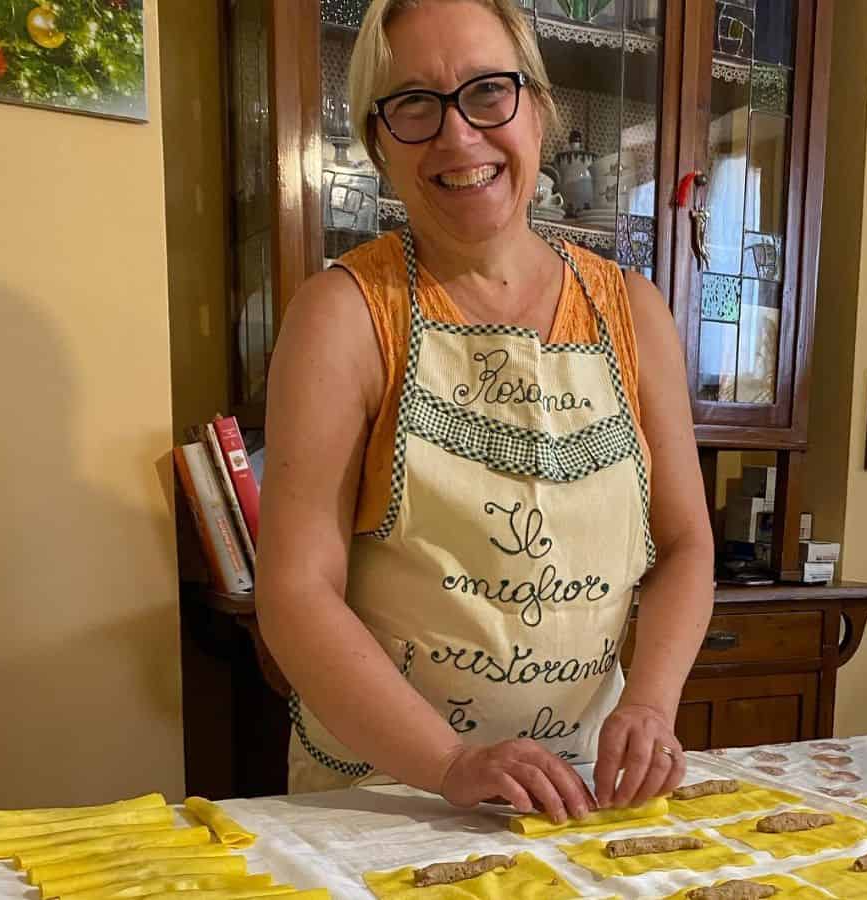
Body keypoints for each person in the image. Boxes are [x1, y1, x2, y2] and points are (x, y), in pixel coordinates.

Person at [256, 0, 714, 824]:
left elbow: (684, 547)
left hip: (580, 795)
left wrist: (648, 705)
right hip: (388, 794)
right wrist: (449, 761)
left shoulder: (634, 310)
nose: (458, 136)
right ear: (377, 143)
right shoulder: (345, 314)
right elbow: (295, 591)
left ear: (539, 110)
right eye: (415, 105)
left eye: (488, 92)